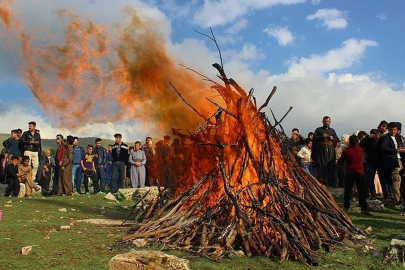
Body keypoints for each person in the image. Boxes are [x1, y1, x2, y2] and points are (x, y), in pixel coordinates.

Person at [338, 135, 371, 215]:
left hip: (350, 172)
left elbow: (340, 162)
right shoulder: (360, 150)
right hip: (360, 171)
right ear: (357, 141)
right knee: (361, 191)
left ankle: (346, 207)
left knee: (348, 190)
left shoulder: (346, 151)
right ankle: (363, 209)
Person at [380, 122, 405, 209]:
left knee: (401, 181)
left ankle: (401, 199)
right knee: (396, 180)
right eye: (391, 129)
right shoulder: (385, 138)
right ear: (388, 129)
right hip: (393, 161)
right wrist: (396, 150)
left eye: (394, 129)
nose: (393, 131)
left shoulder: (399, 137)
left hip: (401, 160)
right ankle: (397, 201)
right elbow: (383, 148)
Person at [312, 116, 339, 187]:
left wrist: (333, 138)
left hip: (331, 151)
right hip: (321, 151)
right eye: (325, 121)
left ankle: (331, 183)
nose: (327, 123)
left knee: (331, 167)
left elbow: (337, 139)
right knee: (322, 167)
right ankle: (323, 183)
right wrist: (321, 137)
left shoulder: (332, 130)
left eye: (328, 121)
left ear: (330, 122)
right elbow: (314, 138)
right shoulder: (318, 130)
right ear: (323, 122)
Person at [360, 129, 382, 200]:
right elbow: (361, 145)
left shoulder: (381, 141)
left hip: (379, 162)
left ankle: (387, 194)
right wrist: (367, 137)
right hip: (370, 162)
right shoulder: (368, 141)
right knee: (370, 179)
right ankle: (373, 194)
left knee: (383, 179)